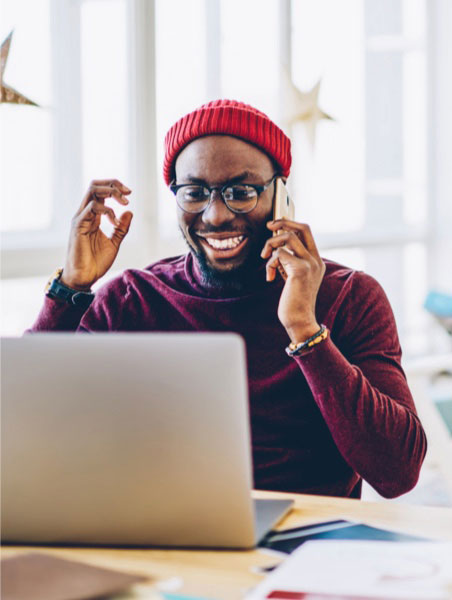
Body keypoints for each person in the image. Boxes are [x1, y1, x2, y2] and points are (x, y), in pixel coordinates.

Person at [30, 99, 427, 499]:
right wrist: (71, 288)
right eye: (194, 192)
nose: (216, 215)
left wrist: (305, 330)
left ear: (281, 197)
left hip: (306, 543)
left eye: (241, 192)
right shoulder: (131, 300)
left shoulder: (350, 296)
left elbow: (398, 472)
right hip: (161, 534)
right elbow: (26, 428)